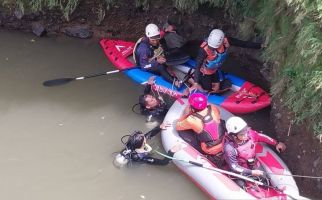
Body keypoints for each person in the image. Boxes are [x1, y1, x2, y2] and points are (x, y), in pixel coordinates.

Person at [193, 29, 263, 94]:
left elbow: (243, 44)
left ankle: (212, 85)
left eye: (214, 47)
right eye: (211, 47)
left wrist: (260, 45)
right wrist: (195, 83)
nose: (211, 48)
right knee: (207, 90)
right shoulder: (203, 50)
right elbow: (198, 65)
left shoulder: (226, 41)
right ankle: (192, 79)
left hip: (215, 69)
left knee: (216, 88)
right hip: (205, 72)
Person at [175, 93, 226, 166]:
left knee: (182, 132)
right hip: (224, 141)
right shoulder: (213, 108)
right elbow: (218, 115)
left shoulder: (191, 119)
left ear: (192, 108)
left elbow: (178, 126)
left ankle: (202, 153)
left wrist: (186, 115)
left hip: (209, 149)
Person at [134, 23, 181, 88]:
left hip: (153, 57)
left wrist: (166, 30)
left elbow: (161, 34)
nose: (155, 42)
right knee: (161, 67)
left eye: (157, 39)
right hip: (146, 64)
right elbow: (144, 67)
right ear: (148, 37)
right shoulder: (144, 49)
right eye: (153, 40)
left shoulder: (155, 36)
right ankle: (174, 82)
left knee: (174, 50)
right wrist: (157, 62)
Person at [114, 122, 181, 167]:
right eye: (144, 138)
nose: (145, 137)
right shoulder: (141, 157)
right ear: (143, 143)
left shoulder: (132, 143)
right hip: (135, 160)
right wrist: (171, 152)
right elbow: (163, 163)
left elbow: (148, 135)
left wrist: (159, 127)